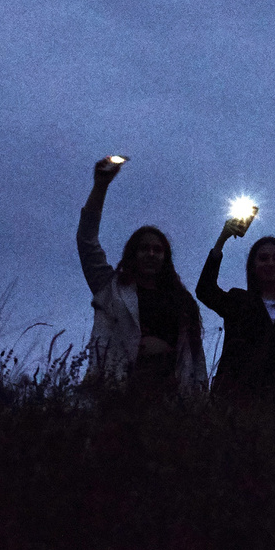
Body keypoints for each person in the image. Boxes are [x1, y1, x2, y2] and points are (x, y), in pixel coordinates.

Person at [75, 155, 206, 404]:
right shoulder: (112, 289)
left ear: (166, 257)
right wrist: (100, 186)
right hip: (116, 395)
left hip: (169, 401)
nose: (151, 254)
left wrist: (197, 401)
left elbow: (195, 358)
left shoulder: (181, 300)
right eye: (144, 248)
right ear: (132, 254)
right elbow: (86, 241)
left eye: (158, 250)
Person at [195, 212, 275, 408]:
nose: (270, 263)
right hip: (236, 403)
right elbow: (205, 290)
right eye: (263, 258)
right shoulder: (238, 301)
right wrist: (221, 240)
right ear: (253, 265)